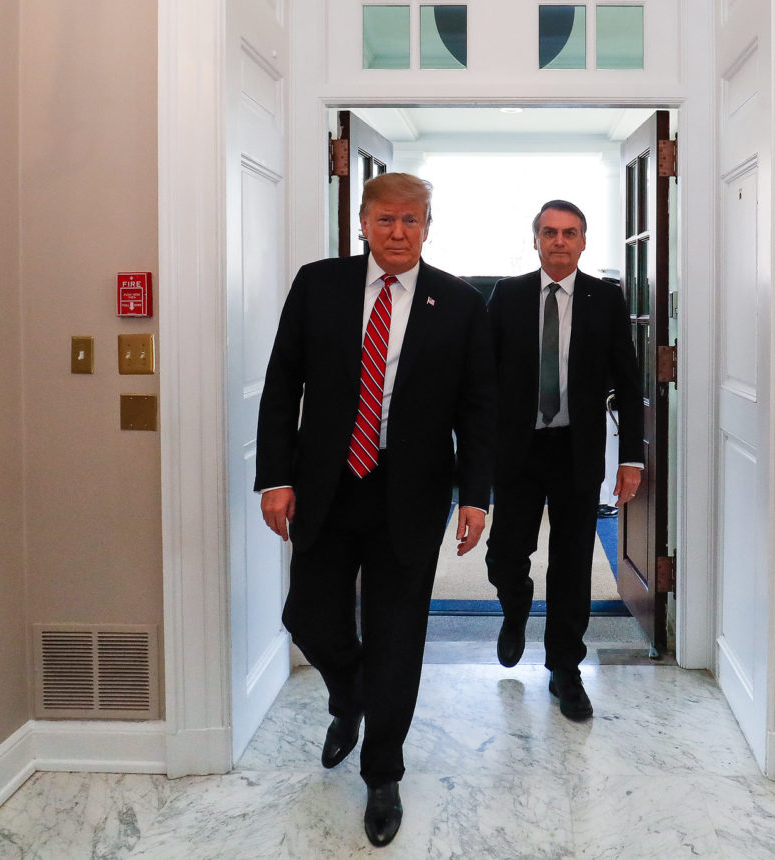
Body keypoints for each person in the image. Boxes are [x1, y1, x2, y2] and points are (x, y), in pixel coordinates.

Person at [254, 173, 495, 847]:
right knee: (306, 614)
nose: (398, 233)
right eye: (385, 220)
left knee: (398, 638)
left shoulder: (461, 303)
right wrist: (274, 476)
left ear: (427, 225)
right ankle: (348, 697)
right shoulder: (318, 285)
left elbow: (479, 409)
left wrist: (476, 495)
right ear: (362, 223)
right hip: (327, 486)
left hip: (411, 493)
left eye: (411, 221)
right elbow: (282, 383)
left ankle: (382, 771)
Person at [485, 199, 643, 721]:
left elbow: (628, 378)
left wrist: (633, 459)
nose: (559, 241)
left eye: (569, 233)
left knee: (573, 563)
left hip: (576, 449)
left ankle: (565, 669)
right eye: (549, 232)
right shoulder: (506, 296)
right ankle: (514, 608)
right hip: (518, 447)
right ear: (535, 240)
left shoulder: (605, 298)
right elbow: (481, 375)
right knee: (506, 553)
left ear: (582, 242)